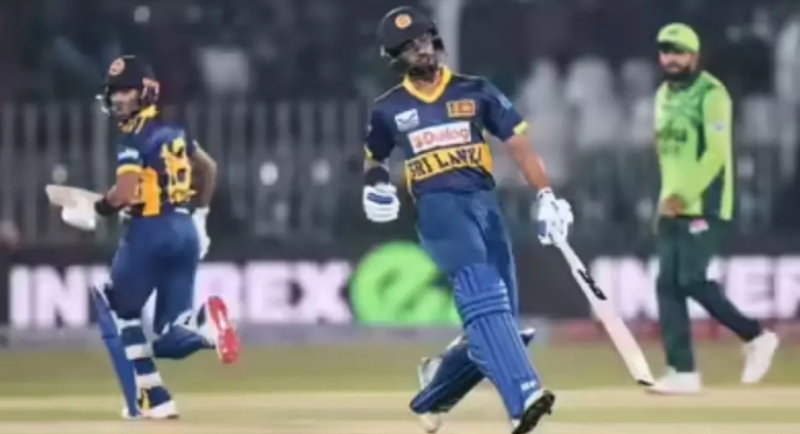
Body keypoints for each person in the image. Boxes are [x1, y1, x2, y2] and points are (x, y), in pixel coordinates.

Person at [362, 6, 573, 433]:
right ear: (396, 58)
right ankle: (524, 397)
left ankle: (434, 392)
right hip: (438, 209)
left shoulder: (476, 91)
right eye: (410, 47)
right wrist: (374, 187)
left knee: (498, 326)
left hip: (484, 206)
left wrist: (546, 196)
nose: (422, 50)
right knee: (483, 295)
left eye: (424, 40)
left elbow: (519, 144)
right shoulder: (389, 108)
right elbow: (375, 159)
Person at [58, 55, 241, 418]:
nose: (118, 99)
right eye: (114, 92)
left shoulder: (132, 139)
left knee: (116, 307)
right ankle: (205, 333)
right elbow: (209, 168)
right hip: (185, 231)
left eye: (126, 91)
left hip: (149, 232)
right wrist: (200, 216)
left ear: (146, 92)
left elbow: (125, 193)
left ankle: (148, 397)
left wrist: (98, 209)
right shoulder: (176, 131)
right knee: (171, 339)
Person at [650, 23, 779, 394]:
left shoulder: (712, 94)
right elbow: (668, 155)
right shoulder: (662, 95)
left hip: (707, 203)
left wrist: (683, 195)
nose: (671, 59)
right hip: (672, 205)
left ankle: (756, 336)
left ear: (694, 56)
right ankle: (682, 372)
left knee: (690, 278)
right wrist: (665, 198)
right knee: (667, 284)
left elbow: (716, 154)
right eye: (665, 51)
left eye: (678, 52)